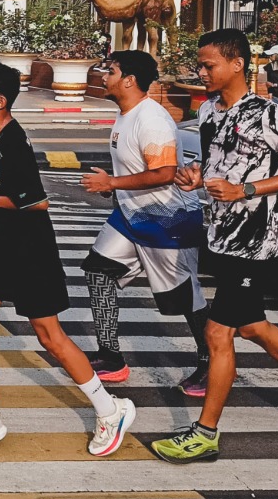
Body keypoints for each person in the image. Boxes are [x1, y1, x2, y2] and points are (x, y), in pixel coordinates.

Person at [151, 29, 278, 464]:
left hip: (255, 239)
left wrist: (246, 190)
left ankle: (205, 433)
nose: (201, 72)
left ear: (236, 64)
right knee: (252, 326)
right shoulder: (208, 111)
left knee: (218, 332)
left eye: (209, 65)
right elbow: (212, 164)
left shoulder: (269, 114)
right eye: (199, 65)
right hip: (219, 234)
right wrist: (195, 176)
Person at [0, 64, 135, 457]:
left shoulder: (13, 140)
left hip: (29, 249)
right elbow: (13, 186)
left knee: (50, 337)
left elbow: (37, 200)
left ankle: (109, 409)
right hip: (3, 244)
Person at [78, 50, 210, 397]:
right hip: (131, 214)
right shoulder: (126, 114)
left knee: (186, 299)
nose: (104, 76)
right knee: (96, 269)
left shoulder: (151, 119)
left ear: (129, 80)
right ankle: (110, 357)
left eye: (111, 71)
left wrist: (112, 184)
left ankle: (211, 361)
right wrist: (116, 190)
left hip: (168, 219)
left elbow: (165, 173)